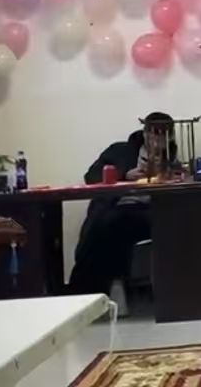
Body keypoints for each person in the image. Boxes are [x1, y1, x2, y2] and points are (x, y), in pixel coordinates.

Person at [69, 112, 178, 295]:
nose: (157, 141)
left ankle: (98, 287)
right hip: (115, 207)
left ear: (170, 137)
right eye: (154, 134)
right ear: (145, 133)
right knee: (105, 229)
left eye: (163, 136)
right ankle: (96, 287)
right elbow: (92, 177)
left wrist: (163, 175)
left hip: (149, 212)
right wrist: (125, 175)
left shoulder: (172, 161)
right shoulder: (119, 151)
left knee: (112, 229)